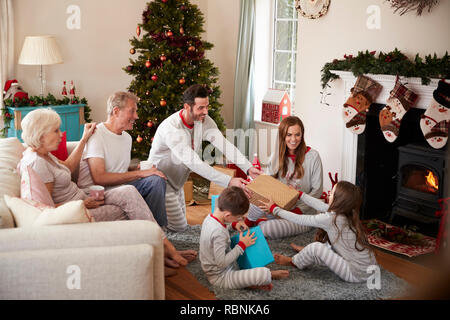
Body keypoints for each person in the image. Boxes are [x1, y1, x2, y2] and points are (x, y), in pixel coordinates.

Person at [19, 108, 192, 275]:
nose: (61, 134)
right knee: (131, 210)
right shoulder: (37, 163)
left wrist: (84, 138)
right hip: (77, 212)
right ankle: (162, 254)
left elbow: (70, 167)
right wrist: (81, 204)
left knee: (129, 191)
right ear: (41, 135)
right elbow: (46, 209)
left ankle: (164, 247)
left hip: (85, 199)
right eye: (56, 131)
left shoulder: (44, 154)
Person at [147, 84, 263, 232]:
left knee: (181, 227)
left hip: (178, 183)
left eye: (207, 106)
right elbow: (194, 163)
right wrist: (229, 181)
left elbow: (225, 145)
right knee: (178, 228)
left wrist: (248, 167)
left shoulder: (205, 121)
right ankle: (153, 228)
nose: (205, 112)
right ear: (187, 107)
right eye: (200, 108)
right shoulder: (172, 128)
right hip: (162, 183)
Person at [77, 91, 169, 228]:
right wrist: (139, 174)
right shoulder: (97, 134)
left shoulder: (126, 138)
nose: (136, 116)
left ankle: (156, 230)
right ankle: (154, 232)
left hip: (120, 188)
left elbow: (118, 169)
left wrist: (135, 169)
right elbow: (99, 177)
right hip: (99, 191)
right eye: (132, 111)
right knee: (151, 179)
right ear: (116, 111)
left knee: (156, 179)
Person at [259, 181, 378, 283]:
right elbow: (320, 205)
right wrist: (300, 194)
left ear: (339, 200)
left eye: (332, 193)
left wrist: (275, 209)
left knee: (317, 248)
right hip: (370, 268)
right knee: (326, 247)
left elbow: (300, 219)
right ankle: (306, 252)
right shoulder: (347, 213)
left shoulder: (331, 219)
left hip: (355, 274)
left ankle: (294, 261)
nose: (329, 193)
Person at [245, 116, 323, 239]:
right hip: (277, 209)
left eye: (297, 135)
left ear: (302, 135)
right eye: (289, 135)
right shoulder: (275, 156)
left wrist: (296, 211)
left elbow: (317, 192)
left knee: (267, 229)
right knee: (254, 200)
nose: (293, 139)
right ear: (282, 136)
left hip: (302, 215)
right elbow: (267, 187)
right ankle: (248, 223)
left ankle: (260, 223)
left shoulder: (313, 157)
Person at [199, 186, 289, 290]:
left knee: (249, 267)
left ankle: (246, 281)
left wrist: (233, 225)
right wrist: (242, 245)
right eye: (238, 217)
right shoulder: (218, 232)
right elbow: (221, 263)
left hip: (224, 267)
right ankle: (264, 277)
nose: (239, 219)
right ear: (228, 215)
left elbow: (216, 236)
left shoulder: (210, 218)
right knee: (263, 274)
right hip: (220, 277)